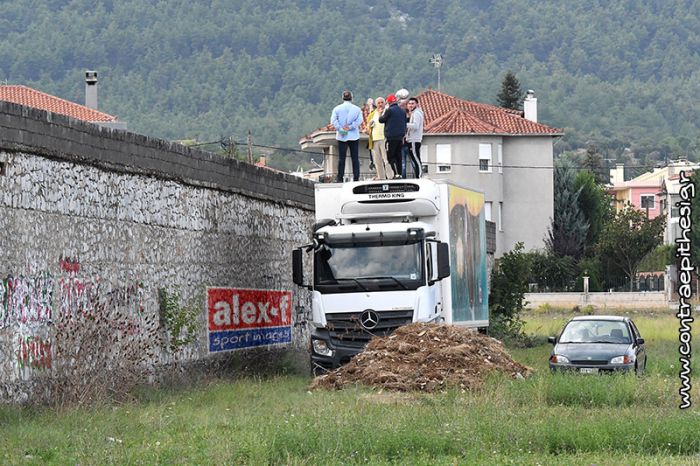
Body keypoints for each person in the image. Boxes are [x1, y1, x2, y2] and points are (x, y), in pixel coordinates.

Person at [330, 90, 363, 182]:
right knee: (355, 158)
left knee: (341, 158)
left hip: (342, 136)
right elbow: (360, 120)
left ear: (342, 98)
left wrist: (341, 129)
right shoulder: (357, 109)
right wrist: (350, 127)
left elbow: (333, 121)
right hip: (354, 136)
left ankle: (340, 177)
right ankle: (356, 178)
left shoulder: (337, 109)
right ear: (352, 98)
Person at [378, 93, 406, 178]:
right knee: (398, 156)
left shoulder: (389, 110)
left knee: (390, 156)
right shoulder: (402, 111)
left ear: (388, 102)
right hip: (400, 137)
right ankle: (400, 174)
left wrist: (381, 113)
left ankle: (396, 173)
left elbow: (381, 120)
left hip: (391, 137)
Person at [367, 96, 391, 179]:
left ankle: (390, 176)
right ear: (376, 104)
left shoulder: (387, 112)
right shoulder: (372, 114)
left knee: (386, 159)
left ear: (385, 103)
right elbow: (368, 126)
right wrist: (369, 125)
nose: (380, 104)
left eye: (382, 102)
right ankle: (381, 177)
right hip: (374, 139)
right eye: (378, 103)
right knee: (377, 161)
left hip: (384, 138)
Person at [405, 97, 424, 178]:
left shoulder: (416, 113)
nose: (411, 105)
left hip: (414, 140)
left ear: (417, 104)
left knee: (416, 158)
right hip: (412, 139)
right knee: (414, 158)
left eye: (412, 103)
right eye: (409, 104)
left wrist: (404, 124)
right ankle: (418, 175)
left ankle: (419, 176)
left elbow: (416, 126)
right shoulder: (414, 113)